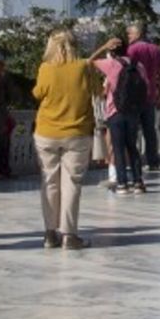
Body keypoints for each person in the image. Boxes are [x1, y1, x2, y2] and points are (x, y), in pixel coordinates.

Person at [33, 30, 114, 250]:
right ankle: (69, 235)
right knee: (72, 183)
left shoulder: (45, 68)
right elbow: (98, 92)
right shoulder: (84, 68)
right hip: (77, 132)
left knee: (49, 181)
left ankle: (50, 233)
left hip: (47, 132)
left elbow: (38, 93)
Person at [94, 37, 148, 195]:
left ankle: (122, 184)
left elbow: (90, 60)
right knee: (132, 147)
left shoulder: (111, 64)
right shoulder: (138, 65)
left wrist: (104, 46)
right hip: (133, 111)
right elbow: (146, 85)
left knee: (118, 148)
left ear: (112, 52)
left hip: (115, 111)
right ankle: (138, 182)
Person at [125, 23, 160, 173]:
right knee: (150, 131)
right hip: (151, 95)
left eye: (130, 34)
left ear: (137, 34)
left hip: (134, 96)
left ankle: (133, 162)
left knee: (132, 131)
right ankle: (153, 161)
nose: (128, 37)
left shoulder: (132, 50)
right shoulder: (157, 50)